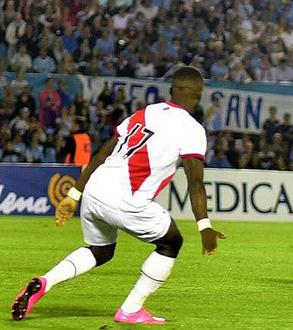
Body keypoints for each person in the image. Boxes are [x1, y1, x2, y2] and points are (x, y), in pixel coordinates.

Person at [12, 67, 226, 324]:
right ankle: (131, 309)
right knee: (171, 243)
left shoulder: (145, 112)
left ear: (171, 90)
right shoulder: (191, 129)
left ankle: (44, 282)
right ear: (198, 95)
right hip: (127, 198)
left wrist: (74, 194)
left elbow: (102, 153)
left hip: (95, 190)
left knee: (100, 251)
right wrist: (205, 226)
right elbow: (196, 182)